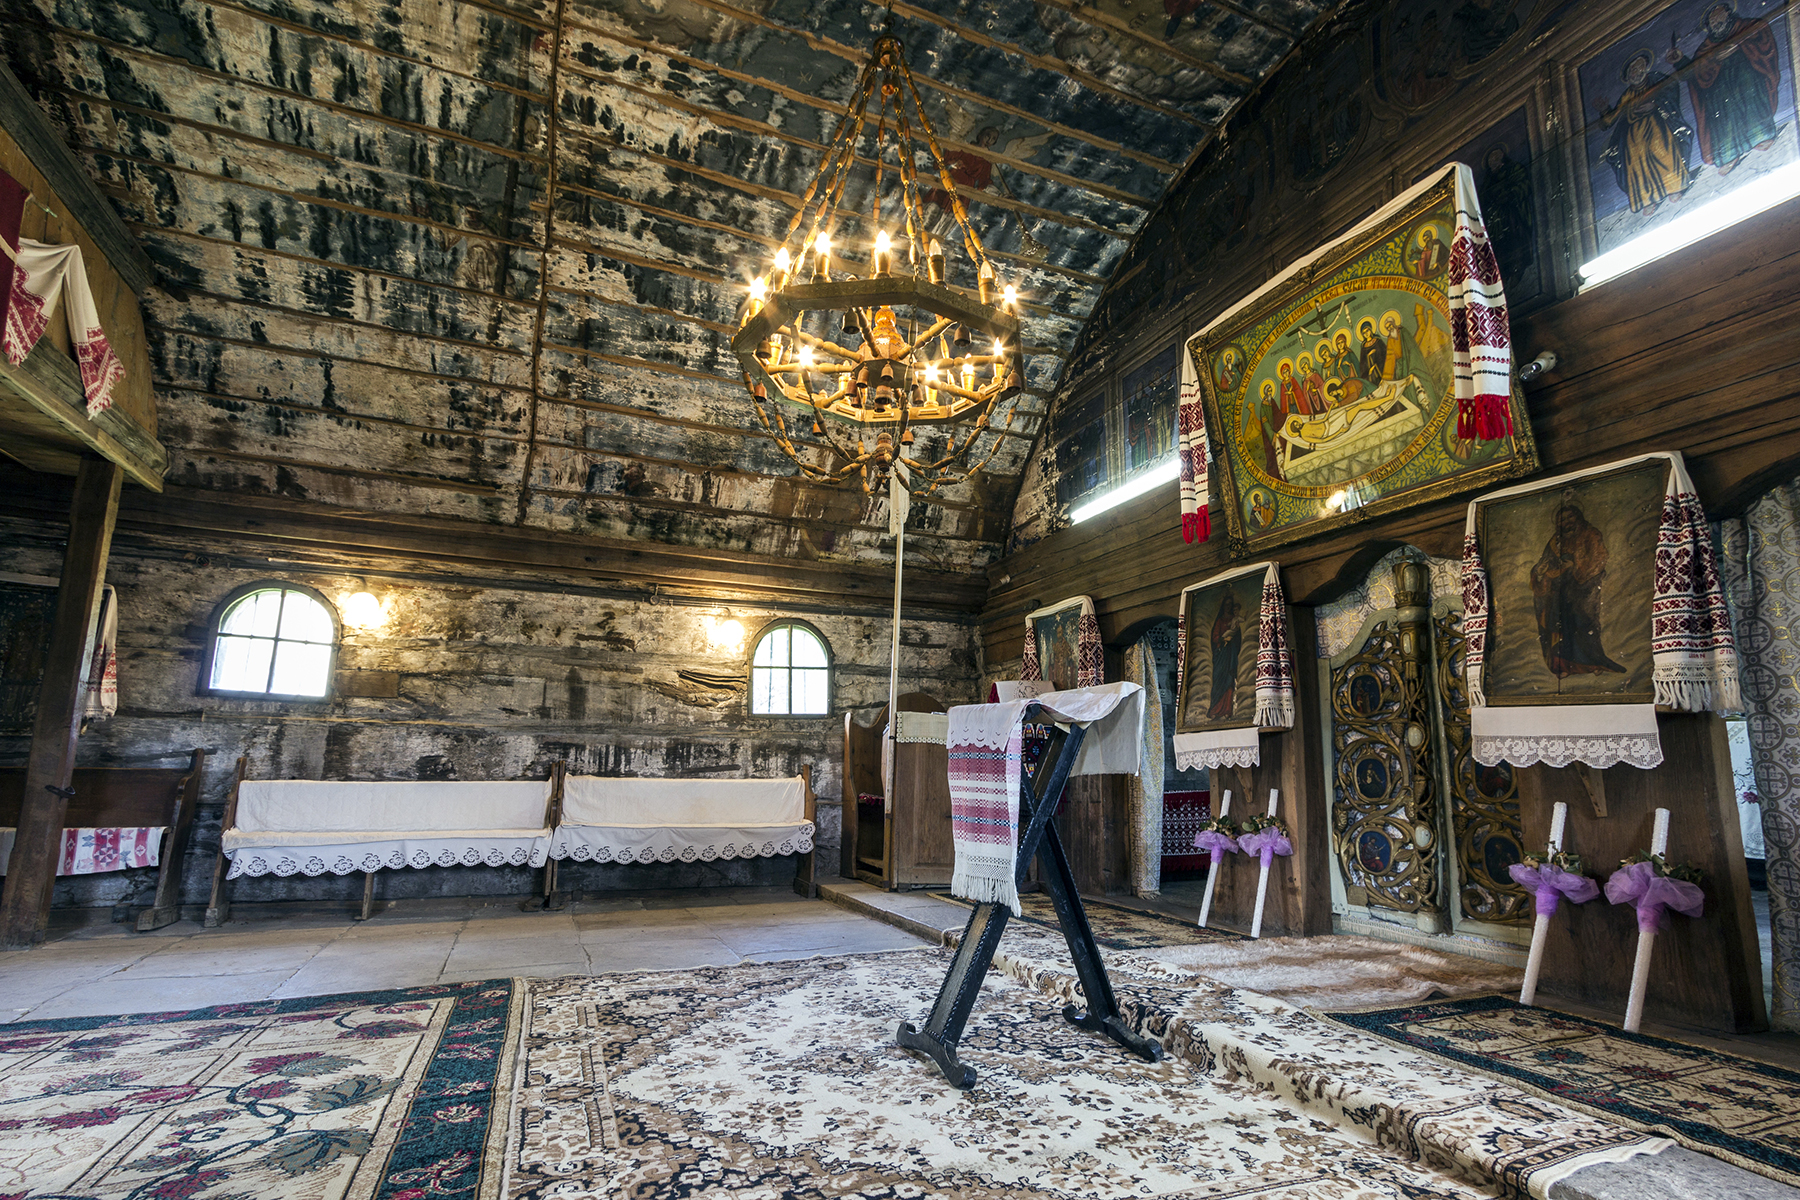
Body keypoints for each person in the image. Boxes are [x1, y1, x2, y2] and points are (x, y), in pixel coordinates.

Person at [1669, 2, 1782, 176]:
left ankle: (1761, 135)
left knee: (1749, 90)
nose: (1717, 22)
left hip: (1747, 77)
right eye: (1713, 21)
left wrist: (1739, 45)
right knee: (1721, 111)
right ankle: (1728, 154)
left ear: (1729, 15)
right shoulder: (1705, 48)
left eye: (1719, 17)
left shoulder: (1746, 27)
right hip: (1721, 92)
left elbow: (1763, 39)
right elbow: (1694, 74)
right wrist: (1682, 61)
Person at [1530, 495, 1628, 678]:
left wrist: (1575, 566)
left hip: (1583, 590)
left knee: (1584, 625)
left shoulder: (1591, 534)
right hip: (1558, 593)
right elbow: (1545, 564)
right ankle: (1563, 667)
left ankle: (1594, 663)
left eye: (1570, 517)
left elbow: (1599, 558)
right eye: (1562, 520)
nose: (1567, 522)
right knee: (1559, 628)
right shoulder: (1554, 542)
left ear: (1578, 517)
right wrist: (1539, 571)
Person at [1597, 50, 1693, 213]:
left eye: (1641, 68)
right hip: (1634, 136)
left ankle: (1675, 187)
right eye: (1633, 70)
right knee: (1637, 165)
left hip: (1657, 126)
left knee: (1664, 152)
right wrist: (1604, 110)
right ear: (1628, 76)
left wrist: (1655, 104)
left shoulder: (1656, 80)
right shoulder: (1628, 94)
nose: (1638, 72)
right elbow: (1610, 121)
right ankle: (1647, 199)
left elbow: (1672, 89)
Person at [1207, 590, 1243, 720]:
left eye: (1230, 604)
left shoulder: (1234, 620)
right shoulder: (1220, 621)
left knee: (1229, 681)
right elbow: (1215, 637)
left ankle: (1227, 710)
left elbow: (1238, 638)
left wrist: (1232, 640)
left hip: (1230, 654)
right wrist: (1223, 640)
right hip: (1221, 654)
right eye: (1226, 604)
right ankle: (1215, 710)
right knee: (1218, 681)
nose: (1228, 607)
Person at [1358, 319, 1386, 384]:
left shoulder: (1378, 341)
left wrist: (1376, 365)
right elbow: (1363, 364)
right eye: (1364, 333)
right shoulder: (1363, 347)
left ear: (1370, 330)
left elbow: (1384, 354)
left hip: (1381, 369)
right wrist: (1369, 371)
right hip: (1371, 375)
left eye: (1367, 330)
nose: (1366, 333)